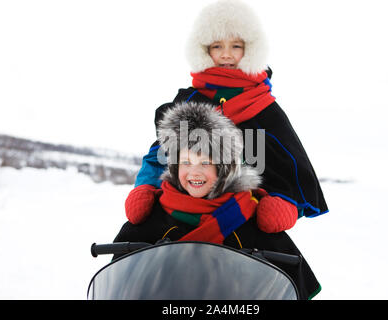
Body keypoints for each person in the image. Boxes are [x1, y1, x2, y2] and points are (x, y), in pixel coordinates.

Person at [127, 0, 329, 233]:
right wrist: (144, 189)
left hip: (243, 214)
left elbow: (289, 164)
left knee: (284, 258)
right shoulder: (188, 100)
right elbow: (160, 153)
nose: (226, 55)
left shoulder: (265, 110)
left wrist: (284, 204)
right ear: (203, 50)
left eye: (236, 46)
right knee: (132, 238)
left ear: (250, 49)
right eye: (216, 46)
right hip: (180, 207)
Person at [113, 101, 321, 299]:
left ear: (224, 169)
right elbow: (120, 282)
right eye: (186, 162)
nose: (194, 172)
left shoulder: (249, 219)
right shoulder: (155, 217)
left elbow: (288, 284)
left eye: (205, 162)